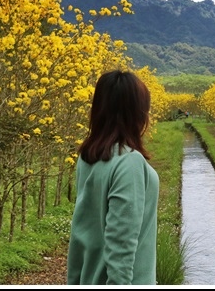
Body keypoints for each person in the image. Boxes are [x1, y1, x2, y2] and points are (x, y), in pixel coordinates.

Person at [67, 70, 160, 285]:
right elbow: (121, 246)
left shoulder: (88, 157)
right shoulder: (130, 162)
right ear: (136, 113)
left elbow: (80, 235)